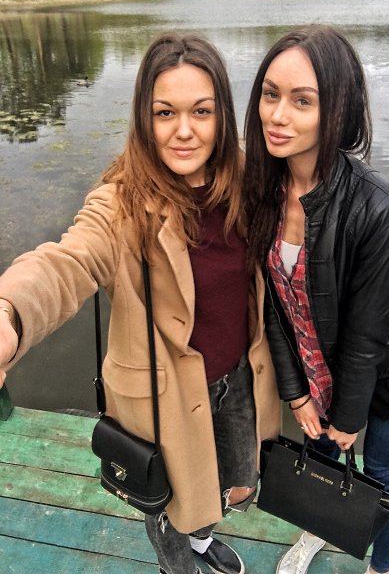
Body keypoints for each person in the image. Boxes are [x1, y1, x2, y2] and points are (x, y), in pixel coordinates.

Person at [0, 33, 281, 574]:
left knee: (232, 481)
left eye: (201, 111)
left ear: (222, 115)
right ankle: (179, 565)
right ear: (144, 118)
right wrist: (10, 313)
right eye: (165, 112)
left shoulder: (245, 184)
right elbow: (67, 261)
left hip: (237, 380)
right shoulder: (120, 203)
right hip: (164, 393)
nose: (184, 130)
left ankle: (202, 540)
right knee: (169, 499)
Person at [243, 25, 389, 574]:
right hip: (315, 370)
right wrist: (296, 394)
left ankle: (383, 566)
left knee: (385, 476)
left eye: (302, 101)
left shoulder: (378, 205)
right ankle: (319, 531)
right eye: (271, 94)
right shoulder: (260, 189)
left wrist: (349, 416)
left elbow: (368, 333)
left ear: (339, 111)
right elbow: (274, 308)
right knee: (323, 463)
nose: (278, 115)